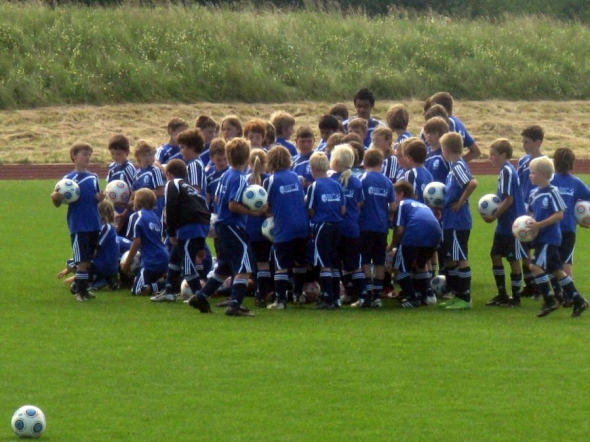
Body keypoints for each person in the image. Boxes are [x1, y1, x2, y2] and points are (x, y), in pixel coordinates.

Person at [188, 137, 265, 317]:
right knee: (245, 267)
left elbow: (216, 199)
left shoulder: (225, 175)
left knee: (224, 268)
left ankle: (200, 296)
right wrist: (252, 211)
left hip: (222, 225)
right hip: (233, 226)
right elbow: (232, 204)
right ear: (247, 157)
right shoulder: (240, 178)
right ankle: (235, 305)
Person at [526, 156, 588, 318]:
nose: (530, 175)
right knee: (557, 271)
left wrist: (539, 225)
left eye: (533, 173)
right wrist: (527, 225)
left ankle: (549, 300)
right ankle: (578, 300)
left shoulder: (552, 192)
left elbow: (559, 214)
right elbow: (531, 212)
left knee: (535, 267)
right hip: (539, 237)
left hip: (550, 238)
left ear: (543, 175)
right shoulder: (533, 193)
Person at [151, 159, 210, 303]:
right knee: (175, 257)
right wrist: (201, 244)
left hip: (189, 227)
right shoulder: (191, 188)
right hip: (202, 226)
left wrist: (171, 232)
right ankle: (169, 290)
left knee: (187, 266)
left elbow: (170, 208)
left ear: (168, 174)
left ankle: (199, 296)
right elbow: (204, 208)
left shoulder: (173, 184)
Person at [51, 142, 104, 302]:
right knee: (81, 259)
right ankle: (80, 292)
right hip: (79, 224)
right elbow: (57, 202)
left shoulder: (94, 177)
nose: (88, 157)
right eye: (84, 154)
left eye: (89, 155)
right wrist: (55, 197)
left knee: (88, 259)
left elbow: (95, 198)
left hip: (94, 222)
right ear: (74, 156)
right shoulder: (67, 180)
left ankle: (84, 290)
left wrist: (99, 198)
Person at [481, 139, 527, 307]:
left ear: (504, 155)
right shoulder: (504, 171)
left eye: (493, 154)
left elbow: (509, 199)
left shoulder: (507, 171)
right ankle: (502, 294)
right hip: (503, 224)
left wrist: (493, 216)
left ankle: (516, 298)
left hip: (512, 224)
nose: (490, 158)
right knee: (495, 255)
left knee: (513, 259)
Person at [265, 145, 310, 309]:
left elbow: (266, 204)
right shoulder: (297, 178)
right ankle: (298, 294)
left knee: (281, 265)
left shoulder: (270, 180)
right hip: (302, 225)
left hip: (284, 228)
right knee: (299, 263)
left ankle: (281, 301)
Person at [438, 132, 478, 310]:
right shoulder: (455, 166)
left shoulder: (457, 166)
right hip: (451, 220)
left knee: (461, 257)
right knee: (453, 258)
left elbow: (472, 183)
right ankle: (457, 294)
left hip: (457, 221)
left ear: (446, 150)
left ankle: (465, 297)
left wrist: (461, 201)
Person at [387, 181, 442, 308]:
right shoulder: (421, 205)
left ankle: (412, 298)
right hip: (435, 234)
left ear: (401, 194)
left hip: (416, 233)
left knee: (398, 267)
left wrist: (391, 247)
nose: (393, 199)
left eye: (394, 195)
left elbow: (399, 231)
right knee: (420, 264)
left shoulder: (402, 204)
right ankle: (426, 294)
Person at [354, 149, 395, 307]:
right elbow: (393, 206)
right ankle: (377, 297)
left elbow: (359, 203)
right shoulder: (387, 182)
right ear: (381, 163)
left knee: (365, 259)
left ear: (364, 162)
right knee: (379, 261)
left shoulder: (362, 179)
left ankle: (367, 294)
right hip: (381, 227)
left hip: (364, 225)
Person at [306, 151, 346, 309]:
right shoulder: (336, 184)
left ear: (313, 168)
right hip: (338, 225)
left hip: (322, 226)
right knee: (335, 263)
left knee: (324, 263)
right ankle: (336, 298)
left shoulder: (315, 186)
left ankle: (327, 297)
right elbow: (343, 209)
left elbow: (310, 209)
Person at [329, 144, 367, 306]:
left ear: (335, 161)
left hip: (336, 228)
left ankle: (335, 298)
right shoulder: (356, 182)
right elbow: (360, 204)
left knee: (335, 264)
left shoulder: (331, 181)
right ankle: (363, 295)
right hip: (352, 228)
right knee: (354, 265)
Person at [57, 200, 121, 292]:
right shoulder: (110, 228)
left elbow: (94, 250)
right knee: (76, 262)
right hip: (111, 266)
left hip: (102, 266)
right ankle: (103, 280)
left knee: (71, 262)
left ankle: (90, 280)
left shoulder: (105, 228)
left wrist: (77, 275)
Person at [551, 148, 590, 282]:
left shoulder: (549, 181)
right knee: (565, 262)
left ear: (554, 162)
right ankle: (568, 291)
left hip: (552, 227)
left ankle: (557, 291)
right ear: (572, 163)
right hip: (567, 228)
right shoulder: (575, 182)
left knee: (552, 262)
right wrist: (585, 218)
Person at [122, 188, 169, 296]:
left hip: (151, 261)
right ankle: (167, 283)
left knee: (137, 290)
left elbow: (136, 242)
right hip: (164, 257)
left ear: (137, 202)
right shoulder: (155, 217)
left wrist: (127, 264)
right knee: (145, 281)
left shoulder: (136, 216)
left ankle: (164, 285)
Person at [517, 125, 546, 297]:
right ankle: (530, 284)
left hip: (539, 212)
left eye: (527, 142)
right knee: (524, 248)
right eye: (523, 142)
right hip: (523, 211)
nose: (524, 145)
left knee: (539, 248)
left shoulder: (545, 164)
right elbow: (519, 184)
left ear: (538, 142)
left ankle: (541, 285)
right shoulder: (522, 161)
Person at [244, 148, 273, 307]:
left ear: (249, 163)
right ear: (265, 163)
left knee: (254, 262)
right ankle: (263, 294)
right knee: (264, 263)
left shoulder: (245, 180)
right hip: (266, 229)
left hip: (249, 227)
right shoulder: (269, 180)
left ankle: (258, 293)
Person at [427, 92, 481, 162]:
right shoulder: (458, 122)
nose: (431, 110)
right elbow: (476, 151)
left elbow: (476, 151)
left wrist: (454, 163)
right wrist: (460, 162)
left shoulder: (448, 123)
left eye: (433, 107)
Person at [106, 134, 136, 232]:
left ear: (126, 152)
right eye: (112, 154)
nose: (115, 157)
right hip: (115, 211)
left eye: (118, 154)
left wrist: (126, 212)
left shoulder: (129, 168)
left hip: (127, 211)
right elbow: (108, 189)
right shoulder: (112, 167)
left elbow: (133, 191)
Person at [131, 140, 166, 219]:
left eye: (150, 154)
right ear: (138, 156)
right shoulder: (136, 174)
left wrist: (142, 193)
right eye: (144, 155)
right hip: (140, 214)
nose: (148, 158)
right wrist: (126, 209)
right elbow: (133, 195)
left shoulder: (155, 170)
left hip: (155, 213)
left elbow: (161, 192)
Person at [401, 138, 433, 204]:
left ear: (409, 158)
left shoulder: (410, 173)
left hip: (415, 208)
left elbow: (411, 195)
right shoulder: (429, 174)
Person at [177, 129, 206, 195]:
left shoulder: (194, 165)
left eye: (182, 147)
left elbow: (195, 190)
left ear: (192, 148)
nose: (181, 151)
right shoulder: (197, 162)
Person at [423, 117, 451, 184]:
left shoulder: (446, 154)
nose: (429, 136)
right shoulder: (424, 152)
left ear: (442, 134)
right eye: (427, 132)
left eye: (433, 133)